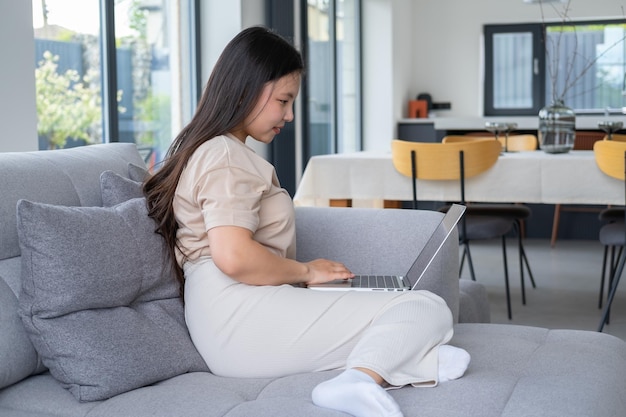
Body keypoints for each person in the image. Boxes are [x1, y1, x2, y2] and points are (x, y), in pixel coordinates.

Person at [144, 26, 470, 417]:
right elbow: (233, 256)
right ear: (246, 88)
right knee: (427, 307)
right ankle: (358, 381)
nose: (290, 114)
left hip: (236, 313)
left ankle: (414, 357)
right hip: (237, 318)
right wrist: (306, 272)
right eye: (283, 100)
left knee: (402, 309)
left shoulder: (220, 151)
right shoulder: (225, 155)